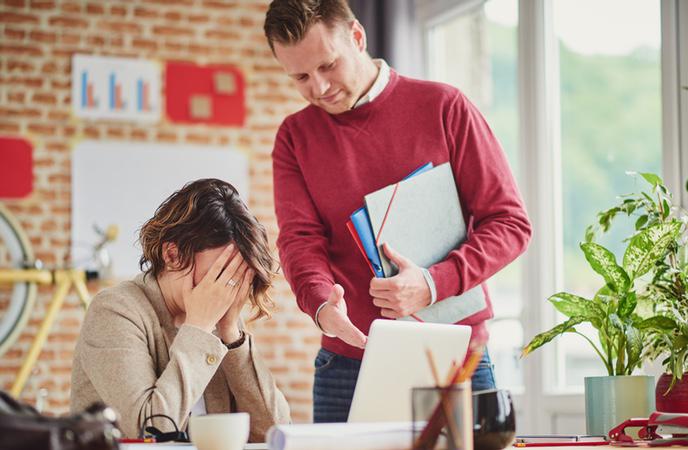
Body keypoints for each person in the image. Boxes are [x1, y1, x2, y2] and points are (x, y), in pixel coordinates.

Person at [265, 0, 532, 423]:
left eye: (327, 66)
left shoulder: (445, 106)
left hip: (453, 354)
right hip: (349, 361)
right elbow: (300, 241)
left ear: (357, 36)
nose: (318, 88)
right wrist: (320, 305)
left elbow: (510, 223)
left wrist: (432, 283)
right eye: (300, 76)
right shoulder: (295, 138)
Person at [70, 179, 291, 441]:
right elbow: (148, 432)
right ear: (172, 255)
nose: (226, 290)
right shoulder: (115, 310)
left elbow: (276, 432)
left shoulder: (222, 319)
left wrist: (232, 334)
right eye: (220, 274)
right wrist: (198, 328)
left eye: (238, 277)